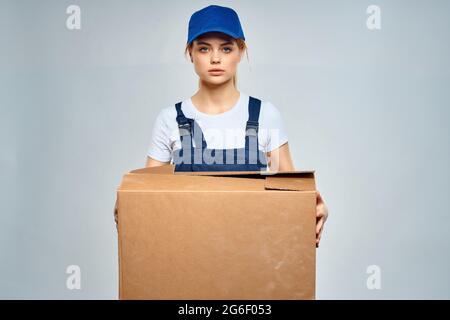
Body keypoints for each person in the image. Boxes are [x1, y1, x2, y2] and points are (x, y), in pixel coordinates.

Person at [145, 5, 328, 246]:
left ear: (240, 51)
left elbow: (292, 195)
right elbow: (145, 196)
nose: (215, 58)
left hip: (253, 255)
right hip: (187, 255)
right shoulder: (169, 119)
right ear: (190, 53)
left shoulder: (265, 115)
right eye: (203, 48)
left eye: (226, 48)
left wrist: (315, 207)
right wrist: (127, 204)